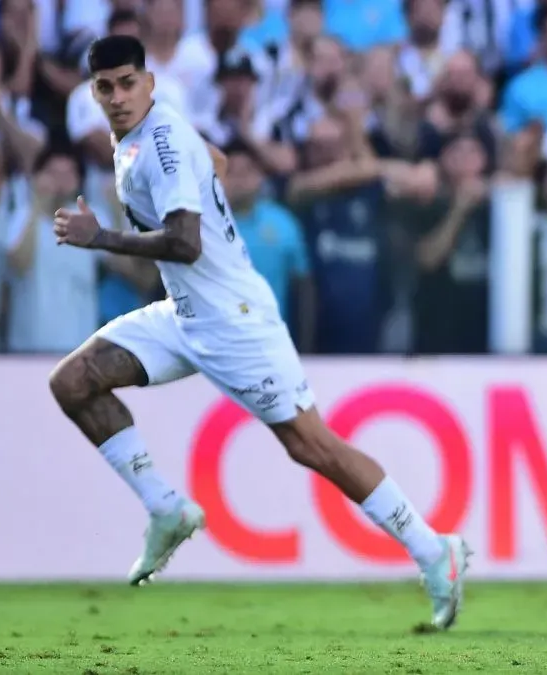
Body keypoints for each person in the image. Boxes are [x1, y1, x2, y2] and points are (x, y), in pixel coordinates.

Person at [45, 36, 470, 630]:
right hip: (185, 313)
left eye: (127, 83)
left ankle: (434, 550)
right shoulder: (146, 138)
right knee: (73, 381)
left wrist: (101, 238)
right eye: (106, 87)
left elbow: (186, 243)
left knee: (312, 446)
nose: (117, 96)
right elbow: (216, 162)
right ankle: (166, 508)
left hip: (235, 321)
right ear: (94, 92)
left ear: (150, 83)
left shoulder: (160, 144)